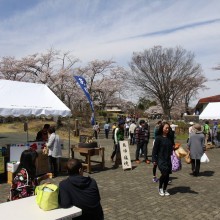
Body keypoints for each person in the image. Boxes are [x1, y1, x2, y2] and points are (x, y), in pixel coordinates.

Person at [152, 122, 174, 196]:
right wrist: (154, 160)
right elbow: (154, 150)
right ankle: (160, 188)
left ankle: (165, 189)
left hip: (168, 158)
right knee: (164, 173)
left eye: (168, 128)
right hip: (161, 159)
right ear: (162, 128)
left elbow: (172, 147)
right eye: (166, 128)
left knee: (167, 175)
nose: (167, 129)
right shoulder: (158, 138)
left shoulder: (170, 137)